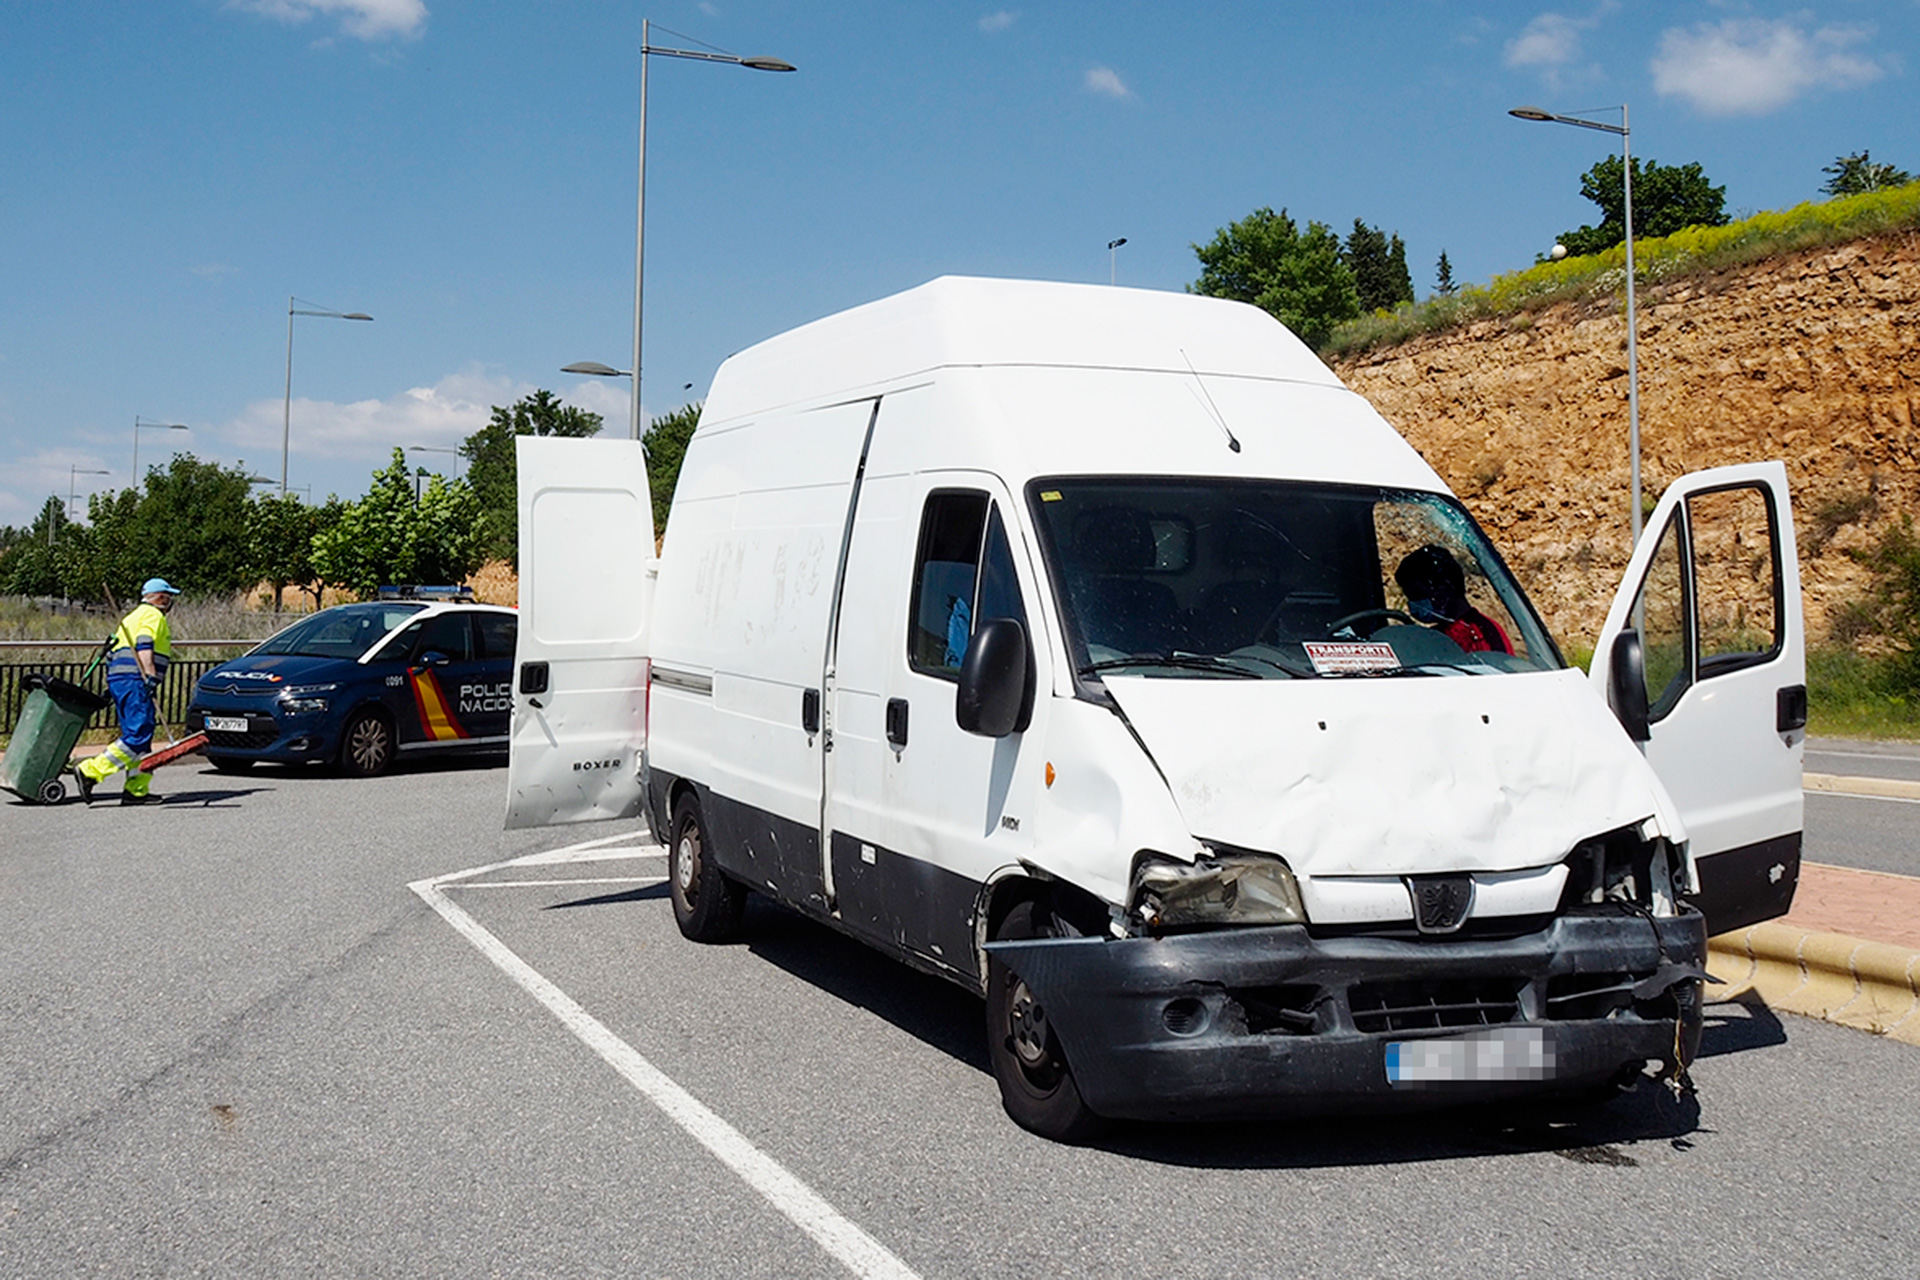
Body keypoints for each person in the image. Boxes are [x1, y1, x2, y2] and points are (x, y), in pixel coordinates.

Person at [73, 577, 181, 804]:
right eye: (169, 597)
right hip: (136, 679)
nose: (170, 602)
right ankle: (90, 771)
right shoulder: (153, 615)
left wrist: (111, 684)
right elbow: (144, 644)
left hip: (121, 679)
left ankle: (136, 790)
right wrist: (150, 676)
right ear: (161, 597)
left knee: (141, 737)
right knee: (138, 733)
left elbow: (111, 653)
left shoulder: (131, 618)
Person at [1393, 544, 1513, 656]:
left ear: (1443, 589)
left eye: (1418, 595)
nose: (1413, 604)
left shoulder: (1478, 634)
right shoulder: (1439, 634)